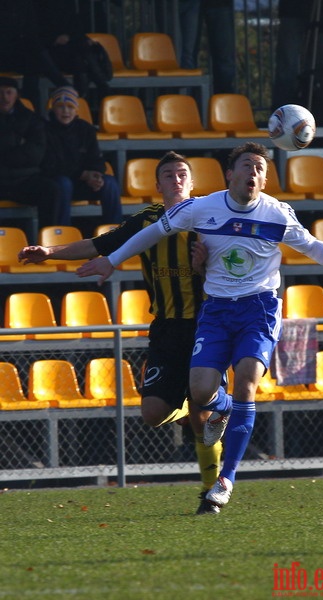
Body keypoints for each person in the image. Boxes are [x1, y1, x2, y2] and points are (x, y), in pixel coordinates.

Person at [69, 141, 323, 509]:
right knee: (201, 393)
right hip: (217, 311)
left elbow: (314, 247)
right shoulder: (202, 208)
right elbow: (154, 231)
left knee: (247, 382)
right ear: (229, 174)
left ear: (265, 179)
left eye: (259, 168)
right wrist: (112, 259)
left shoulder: (276, 214)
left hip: (259, 309)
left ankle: (226, 480)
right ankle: (221, 408)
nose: (252, 173)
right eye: (246, 166)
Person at [18, 151, 223, 515]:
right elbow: (99, 246)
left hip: (205, 325)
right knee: (152, 414)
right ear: (157, 185)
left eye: (181, 174)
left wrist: (206, 266)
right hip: (164, 328)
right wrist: (49, 251)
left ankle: (211, 490)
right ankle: (193, 407)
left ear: (191, 183)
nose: (176, 180)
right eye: (168, 175)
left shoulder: (209, 219)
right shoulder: (146, 221)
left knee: (200, 414)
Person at [42, 86, 122, 226]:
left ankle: (116, 232)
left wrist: (96, 175)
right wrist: (83, 174)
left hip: (83, 183)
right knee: (63, 183)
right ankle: (62, 232)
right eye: (60, 106)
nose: (66, 111)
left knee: (109, 183)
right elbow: (50, 165)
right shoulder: (44, 129)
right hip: (58, 184)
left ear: (76, 109)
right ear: (53, 109)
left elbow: (96, 159)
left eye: (70, 106)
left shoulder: (86, 129)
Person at [0, 76, 60, 230]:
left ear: (17, 94)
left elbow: (35, 154)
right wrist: (18, 146)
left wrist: (5, 153)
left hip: (24, 180)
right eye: (0, 93)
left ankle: (46, 245)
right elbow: (26, 152)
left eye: (9, 92)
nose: (4, 97)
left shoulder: (31, 119)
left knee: (51, 190)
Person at [33, 0, 111, 100]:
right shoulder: (38, 6)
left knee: (79, 58)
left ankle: (81, 95)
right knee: (80, 53)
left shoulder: (66, 4)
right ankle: (99, 84)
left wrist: (69, 37)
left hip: (69, 51)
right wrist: (54, 40)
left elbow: (76, 27)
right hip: (50, 54)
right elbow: (35, 35)